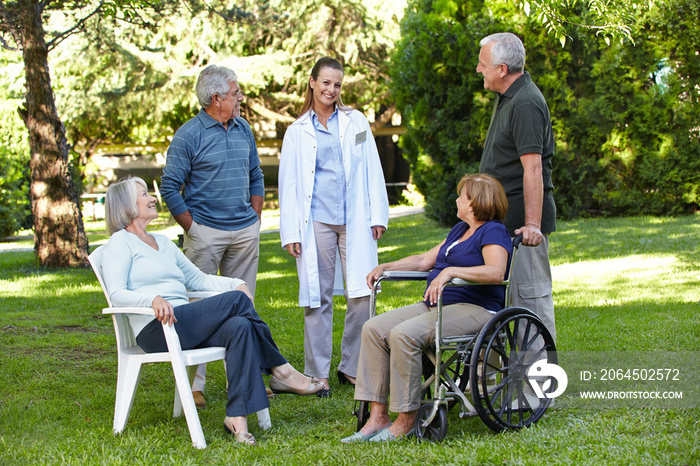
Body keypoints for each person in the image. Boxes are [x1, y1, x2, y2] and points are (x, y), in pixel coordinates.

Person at [101, 177, 323, 446]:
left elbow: (199, 280)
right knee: (238, 303)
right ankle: (283, 372)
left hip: (184, 322)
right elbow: (116, 293)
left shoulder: (162, 242)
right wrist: (152, 299)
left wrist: (236, 283)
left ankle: (237, 421)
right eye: (144, 193)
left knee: (240, 327)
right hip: (155, 329)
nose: (152, 198)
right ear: (126, 205)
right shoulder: (120, 243)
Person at [341, 174, 513, 442]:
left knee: (404, 334)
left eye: (461, 196)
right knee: (373, 328)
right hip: (439, 306)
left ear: (475, 203)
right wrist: (387, 266)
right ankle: (377, 418)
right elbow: (424, 261)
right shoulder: (459, 231)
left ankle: (407, 420)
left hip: (476, 308)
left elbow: (495, 271)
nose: (456, 199)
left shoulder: (493, 231)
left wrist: (450, 273)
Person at [278, 57, 390, 397]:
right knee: (317, 296)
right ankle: (317, 373)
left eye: (337, 84)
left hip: (354, 219)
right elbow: (289, 185)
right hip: (316, 222)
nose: (331, 89)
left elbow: (372, 166)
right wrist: (291, 232)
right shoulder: (297, 131)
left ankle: (351, 366)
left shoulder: (355, 122)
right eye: (326, 82)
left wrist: (377, 216)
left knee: (361, 291)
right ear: (312, 83)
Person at [160, 64, 265, 407]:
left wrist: (254, 217)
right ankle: (194, 386)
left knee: (244, 305)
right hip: (206, 233)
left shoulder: (243, 128)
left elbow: (255, 174)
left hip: (244, 231)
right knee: (200, 308)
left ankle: (247, 379)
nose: (240, 98)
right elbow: (170, 187)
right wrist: (194, 228)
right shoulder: (188, 135)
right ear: (217, 98)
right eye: (236, 93)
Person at [476, 32, 557, 342]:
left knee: (531, 303)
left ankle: (540, 388)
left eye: (483, 64)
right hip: (502, 224)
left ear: (502, 69)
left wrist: (533, 225)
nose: (478, 69)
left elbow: (533, 167)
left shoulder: (525, 102)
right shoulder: (508, 96)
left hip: (524, 229)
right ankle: (507, 385)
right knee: (503, 306)